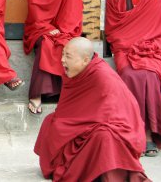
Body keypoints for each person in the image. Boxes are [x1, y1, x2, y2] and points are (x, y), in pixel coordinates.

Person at [34, 37, 149, 182]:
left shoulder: (103, 77)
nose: (62, 60)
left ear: (85, 60)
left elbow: (113, 114)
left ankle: (103, 173)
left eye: (68, 56)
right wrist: (71, 124)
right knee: (51, 121)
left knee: (104, 136)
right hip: (86, 121)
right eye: (62, 54)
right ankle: (65, 165)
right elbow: (68, 108)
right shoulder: (75, 72)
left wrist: (82, 126)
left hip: (117, 127)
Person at [105, 0, 161, 157]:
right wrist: (132, 43)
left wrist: (147, 44)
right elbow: (112, 30)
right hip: (126, 48)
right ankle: (127, 133)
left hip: (153, 47)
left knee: (151, 76)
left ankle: (148, 135)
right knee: (128, 75)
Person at [23, 0, 82, 115]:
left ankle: (64, 95)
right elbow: (33, 3)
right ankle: (37, 94)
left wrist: (63, 28)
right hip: (39, 24)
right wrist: (46, 27)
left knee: (64, 44)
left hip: (65, 25)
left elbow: (73, 4)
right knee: (45, 43)